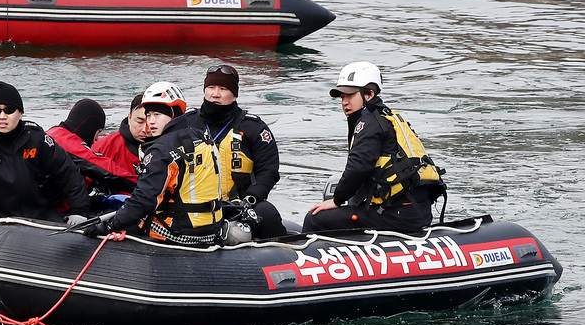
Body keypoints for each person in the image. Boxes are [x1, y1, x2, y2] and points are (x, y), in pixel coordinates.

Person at [88, 79, 242, 246]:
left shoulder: (161, 150)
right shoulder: (202, 137)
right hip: (210, 230)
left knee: (118, 219)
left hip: (178, 234)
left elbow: (144, 201)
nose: (151, 121)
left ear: (173, 114)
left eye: (157, 115)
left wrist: (109, 226)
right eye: (148, 115)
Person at [302, 62, 445, 235]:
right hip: (415, 211)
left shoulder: (368, 123)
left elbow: (358, 167)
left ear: (369, 94)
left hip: (397, 215)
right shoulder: (386, 116)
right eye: (342, 97)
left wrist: (337, 200)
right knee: (353, 201)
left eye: (350, 95)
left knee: (314, 219)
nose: (345, 102)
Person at [0, 81, 89, 236]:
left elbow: (68, 172)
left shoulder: (37, 138)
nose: (2, 116)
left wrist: (80, 211)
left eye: (9, 110)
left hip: (39, 217)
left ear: (21, 113)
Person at [182, 64, 284, 239]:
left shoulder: (253, 128)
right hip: (195, 206)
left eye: (223, 89)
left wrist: (251, 198)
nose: (215, 94)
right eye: (211, 87)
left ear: (234, 94)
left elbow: (268, 171)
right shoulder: (186, 123)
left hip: (240, 205)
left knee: (267, 213)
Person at [48, 99, 135, 196]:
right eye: (98, 131)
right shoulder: (65, 141)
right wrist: (142, 186)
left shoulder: (52, 133)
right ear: (90, 126)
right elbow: (106, 170)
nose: (96, 139)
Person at [91, 93, 148, 191]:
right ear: (129, 118)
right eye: (140, 122)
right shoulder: (104, 146)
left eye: (150, 123)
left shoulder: (168, 147)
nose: (145, 129)